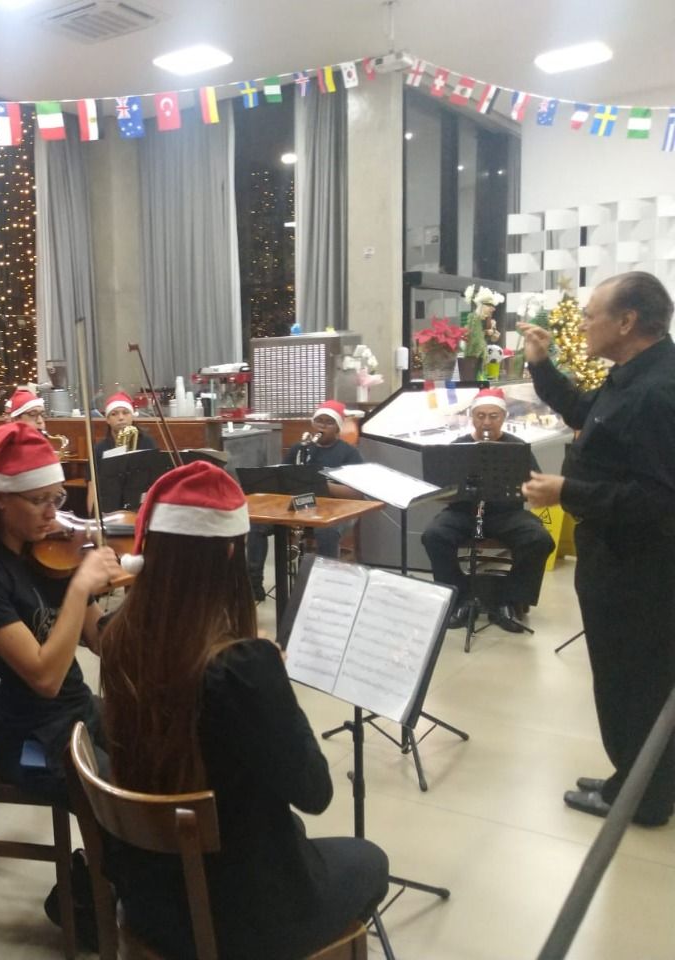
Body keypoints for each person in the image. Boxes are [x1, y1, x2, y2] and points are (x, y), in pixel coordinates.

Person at [100, 461, 389, 959]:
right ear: (232, 552)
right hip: (237, 916)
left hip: (147, 898)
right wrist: (276, 685)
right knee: (369, 859)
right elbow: (314, 792)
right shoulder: (240, 666)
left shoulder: (118, 635)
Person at [520, 270, 675, 828]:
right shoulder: (633, 374)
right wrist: (541, 364)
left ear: (627, 321)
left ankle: (643, 800)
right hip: (616, 556)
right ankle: (632, 778)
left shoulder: (659, 391)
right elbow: (587, 412)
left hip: (637, 566)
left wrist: (568, 490)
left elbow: (660, 500)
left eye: (591, 314)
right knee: (627, 679)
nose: (583, 323)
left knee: (633, 682)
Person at [0, 422, 121, 803]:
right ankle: (104, 861)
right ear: (0, 499)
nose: (52, 514)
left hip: (79, 710)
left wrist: (143, 593)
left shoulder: (51, 553)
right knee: (123, 800)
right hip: (32, 737)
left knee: (165, 756)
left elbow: (101, 642)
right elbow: (45, 679)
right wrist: (79, 589)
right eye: (38, 500)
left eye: (56, 499)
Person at [421, 388, 554, 631]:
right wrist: (444, 494)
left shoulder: (517, 447)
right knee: (434, 535)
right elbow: (440, 490)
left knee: (539, 539)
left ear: (503, 418)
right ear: (472, 417)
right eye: (480, 416)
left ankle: (509, 599)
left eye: (493, 416)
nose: (486, 422)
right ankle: (458, 597)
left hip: (507, 514)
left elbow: (535, 485)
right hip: (463, 512)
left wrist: (519, 489)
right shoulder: (458, 447)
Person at [248, 400, 364, 601]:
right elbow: (281, 477)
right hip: (302, 505)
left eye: (328, 422)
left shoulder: (349, 453)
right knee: (257, 523)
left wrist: (321, 484)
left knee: (325, 530)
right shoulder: (300, 449)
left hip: (338, 509)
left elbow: (357, 494)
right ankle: (253, 583)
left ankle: (327, 588)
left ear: (338, 427)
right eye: (319, 421)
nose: (322, 426)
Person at [91, 392, 156, 465]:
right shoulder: (99, 450)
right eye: (114, 414)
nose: (121, 418)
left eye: (125, 413)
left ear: (132, 416)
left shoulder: (147, 443)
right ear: (108, 420)